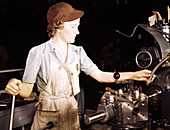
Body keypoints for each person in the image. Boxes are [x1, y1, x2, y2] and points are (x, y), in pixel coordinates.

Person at [5, 2, 154, 130]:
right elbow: (26, 91)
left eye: (78, 26)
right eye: (73, 27)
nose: (78, 31)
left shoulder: (78, 52)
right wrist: (14, 84)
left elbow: (100, 75)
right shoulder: (38, 52)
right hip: (47, 120)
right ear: (59, 26)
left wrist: (134, 74)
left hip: (71, 116)